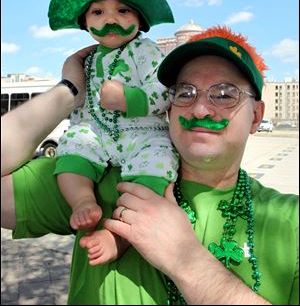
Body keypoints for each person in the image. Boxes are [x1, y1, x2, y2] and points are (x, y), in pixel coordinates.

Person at [1, 25, 298, 305]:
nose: (200, 108)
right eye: (185, 92)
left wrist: (187, 261)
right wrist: (68, 92)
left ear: (257, 117)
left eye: (224, 94)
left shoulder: (289, 221)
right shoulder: (101, 184)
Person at [48, 0, 178, 264]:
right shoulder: (87, 60)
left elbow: (164, 90)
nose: (111, 19)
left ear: (141, 17)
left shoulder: (146, 50)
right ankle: (82, 201)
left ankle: (119, 236)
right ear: (85, 20)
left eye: (123, 10)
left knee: (156, 168)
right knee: (72, 148)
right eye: (98, 11)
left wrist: (129, 99)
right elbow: (79, 103)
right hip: (96, 133)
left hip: (143, 133)